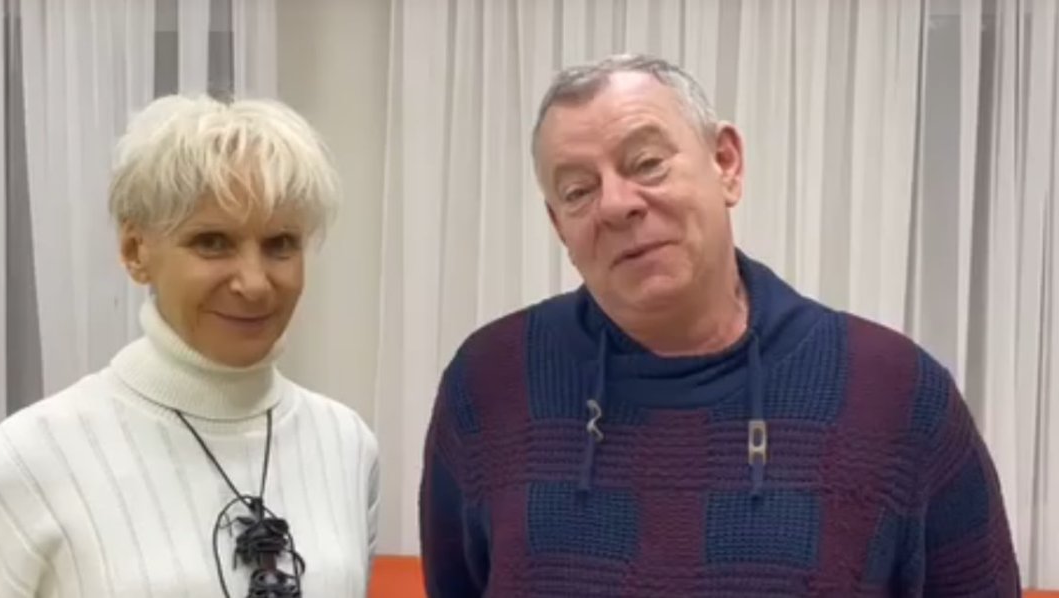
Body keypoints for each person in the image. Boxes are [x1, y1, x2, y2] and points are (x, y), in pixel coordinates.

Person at [418, 54, 1020, 596]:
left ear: (726, 164)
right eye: (578, 190)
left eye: (646, 163)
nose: (617, 204)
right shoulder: (490, 383)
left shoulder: (894, 391)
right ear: (559, 226)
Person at [0, 95, 379, 597]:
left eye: (280, 244)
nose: (254, 283)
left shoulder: (346, 445)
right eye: (212, 242)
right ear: (135, 251)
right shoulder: (28, 460)